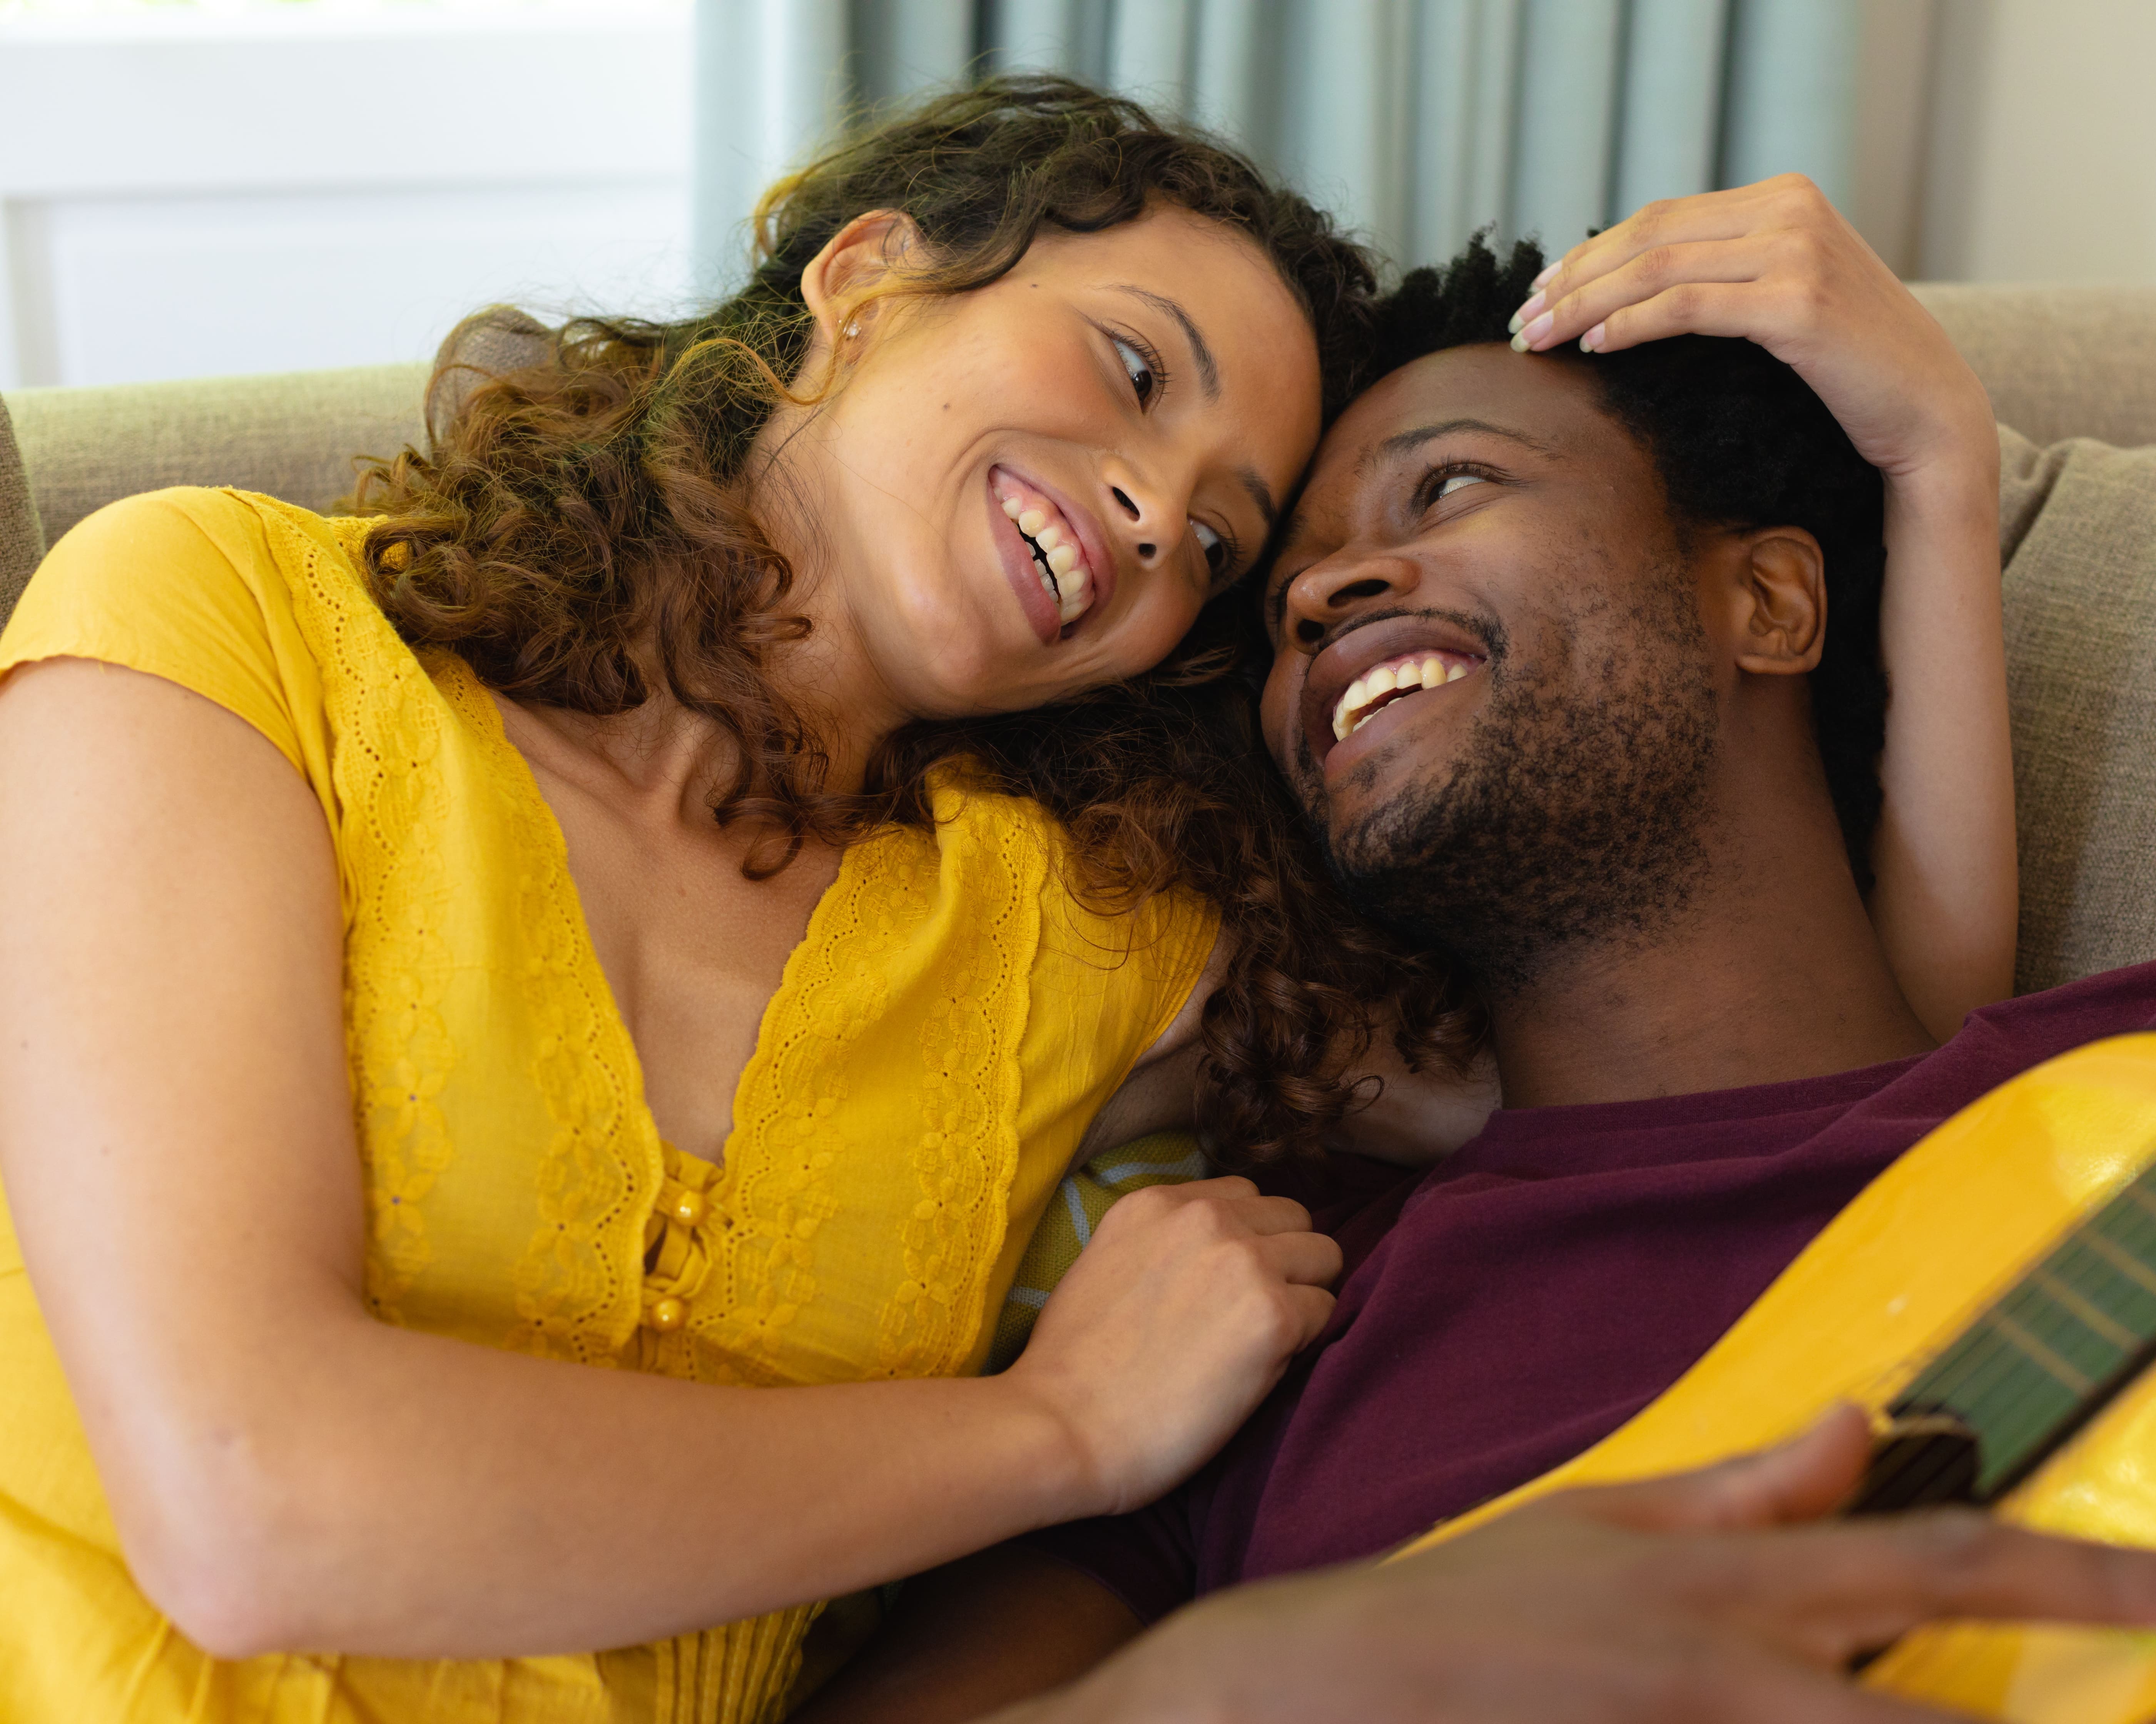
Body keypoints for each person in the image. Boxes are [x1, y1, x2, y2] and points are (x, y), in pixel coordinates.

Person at [0, 82, 2022, 1724]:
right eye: (1137, 370)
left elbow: (1811, 1055)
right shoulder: (224, 628)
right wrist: (1062, 1432)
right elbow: (249, 1501)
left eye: (1217, 534)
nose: (1157, 511)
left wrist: (1937, 462)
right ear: (869, 277)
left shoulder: (1084, 935)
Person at [798, 226, 2156, 1722]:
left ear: (1768, 603)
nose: (1321, 595)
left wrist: (1939, 463)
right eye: (1277, 593)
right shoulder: (1259, 1303)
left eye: (1448, 486)